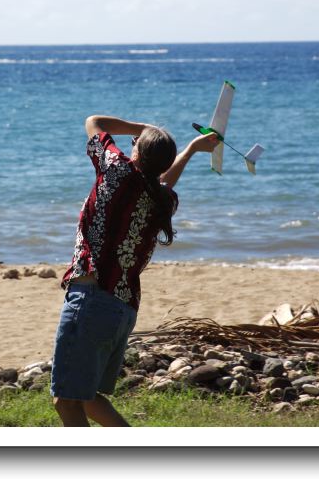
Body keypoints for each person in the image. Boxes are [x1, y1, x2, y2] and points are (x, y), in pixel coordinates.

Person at [49, 114, 220, 426]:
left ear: (137, 152)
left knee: (66, 400)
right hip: (121, 309)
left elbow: (94, 122)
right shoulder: (161, 199)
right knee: (86, 399)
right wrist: (191, 149)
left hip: (91, 299)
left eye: (135, 145)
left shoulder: (117, 172)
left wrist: (143, 128)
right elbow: (163, 181)